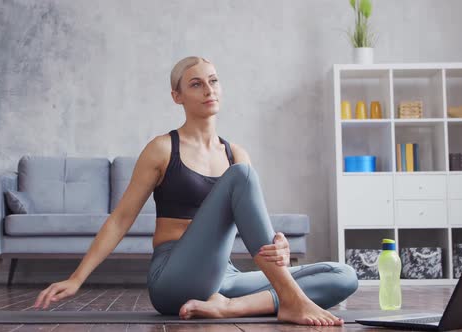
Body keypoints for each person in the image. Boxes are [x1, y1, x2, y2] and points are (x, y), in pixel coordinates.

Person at [33, 56, 358, 326]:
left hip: (225, 279)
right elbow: (120, 220)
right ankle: (289, 299)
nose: (208, 90)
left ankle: (234, 307)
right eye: (196, 84)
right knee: (241, 176)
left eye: (213, 81)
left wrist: (278, 246)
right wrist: (76, 278)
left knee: (343, 275)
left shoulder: (236, 153)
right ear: (177, 96)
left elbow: (255, 223)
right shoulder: (162, 149)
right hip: (174, 278)